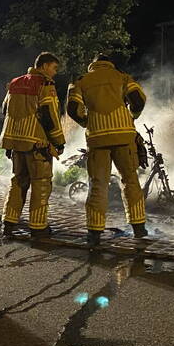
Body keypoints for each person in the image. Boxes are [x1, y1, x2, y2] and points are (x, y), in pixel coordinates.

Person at [66, 53, 148, 249]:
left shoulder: (81, 81)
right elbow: (138, 100)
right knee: (130, 180)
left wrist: (88, 121)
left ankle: (94, 232)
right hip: (124, 136)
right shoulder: (122, 76)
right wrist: (131, 117)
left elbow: (72, 108)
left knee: (98, 183)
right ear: (109, 63)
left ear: (92, 65)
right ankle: (138, 227)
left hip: (97, 137)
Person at [0, 52, 65, 239]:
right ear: (44, 66)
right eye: (54, 68)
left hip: (15, 143)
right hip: (38, 144)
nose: (54, 72)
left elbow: (6, 109)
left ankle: (8, 222)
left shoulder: (15, 83)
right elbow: (50, 115)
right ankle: (38, 226)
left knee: (18, 182)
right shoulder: (45, 84)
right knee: (41, 184)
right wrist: (59, 142)